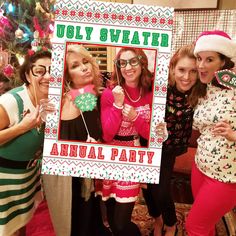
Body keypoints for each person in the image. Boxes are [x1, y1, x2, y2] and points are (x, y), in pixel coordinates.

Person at [43, 44, 109, 236]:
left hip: (94, 175)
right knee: (78, 222)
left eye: (86, 61)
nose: (84, 67)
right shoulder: (60, 102)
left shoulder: (96, 95)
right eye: (75, 65)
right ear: (66, 74)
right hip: (70, 182)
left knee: (94, 218)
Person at [142, 44, 203, 236]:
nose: (186, 77)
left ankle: (171, 223)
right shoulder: (160, 86)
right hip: (147, 142)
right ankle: (158, 220)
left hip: (170, 148)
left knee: (160, 190)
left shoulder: (200, 93)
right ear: (172, 69)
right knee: (148, 189)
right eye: (182, 70)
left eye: (193, 71)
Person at [95, 47, 154, 236]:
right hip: (110, 155)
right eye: (123, 63)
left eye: (133, 61)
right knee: (111, 217)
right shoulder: (110, 94)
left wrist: (136, 117)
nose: (128, 67)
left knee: (121, 223)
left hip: (132, 155)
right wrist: (117, 105)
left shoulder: (151, 92)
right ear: (118, 67)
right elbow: (107, 135)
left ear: (142, 62)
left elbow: (153, 134)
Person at [185, 30, 236, 235]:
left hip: (226, 177)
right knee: (205, 225)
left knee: (194, 226)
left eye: (209, 59)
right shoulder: (205, 89)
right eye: (199, 58)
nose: (201, 65)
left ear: (223, 62)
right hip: (201, 167)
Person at [0, 48, 51, 236]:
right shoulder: (11, 101)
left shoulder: (50, 100)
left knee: (21, 221)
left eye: (52, 70)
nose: (47, 76)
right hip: (4, 179)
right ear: (28, 75)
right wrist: (21, 127)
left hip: (27, 176)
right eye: (39, 71)